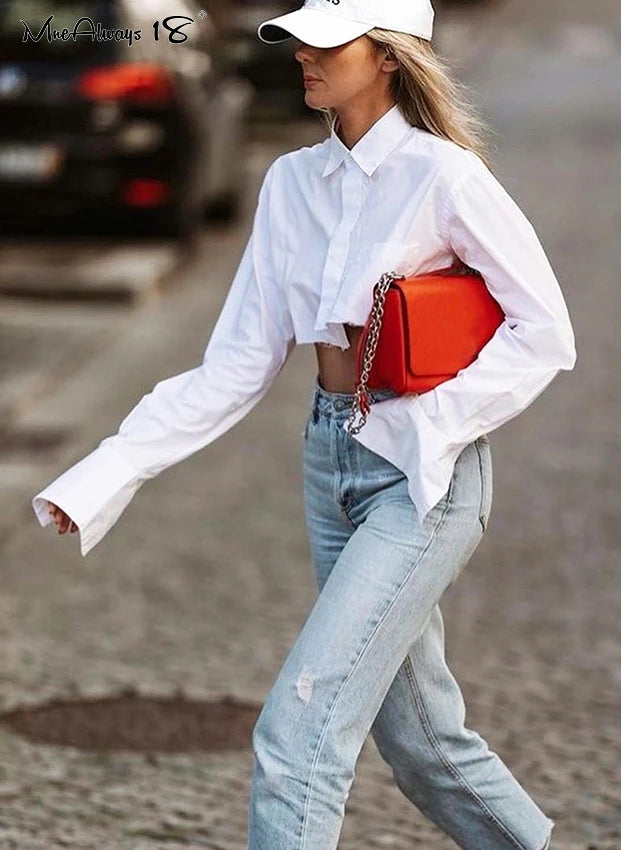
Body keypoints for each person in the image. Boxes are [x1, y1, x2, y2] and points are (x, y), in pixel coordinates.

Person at [33, 0, 576, 847]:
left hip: (423, 478)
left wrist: (426, 422)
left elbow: (544, 331)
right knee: (424, 744)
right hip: (332, 463)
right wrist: (108, 469)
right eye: (297, 38)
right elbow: (237, 365)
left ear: (390, 54)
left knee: (299, 732)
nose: (302, 55)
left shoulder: (446, 178)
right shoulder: (290, 183)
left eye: (328, 39)